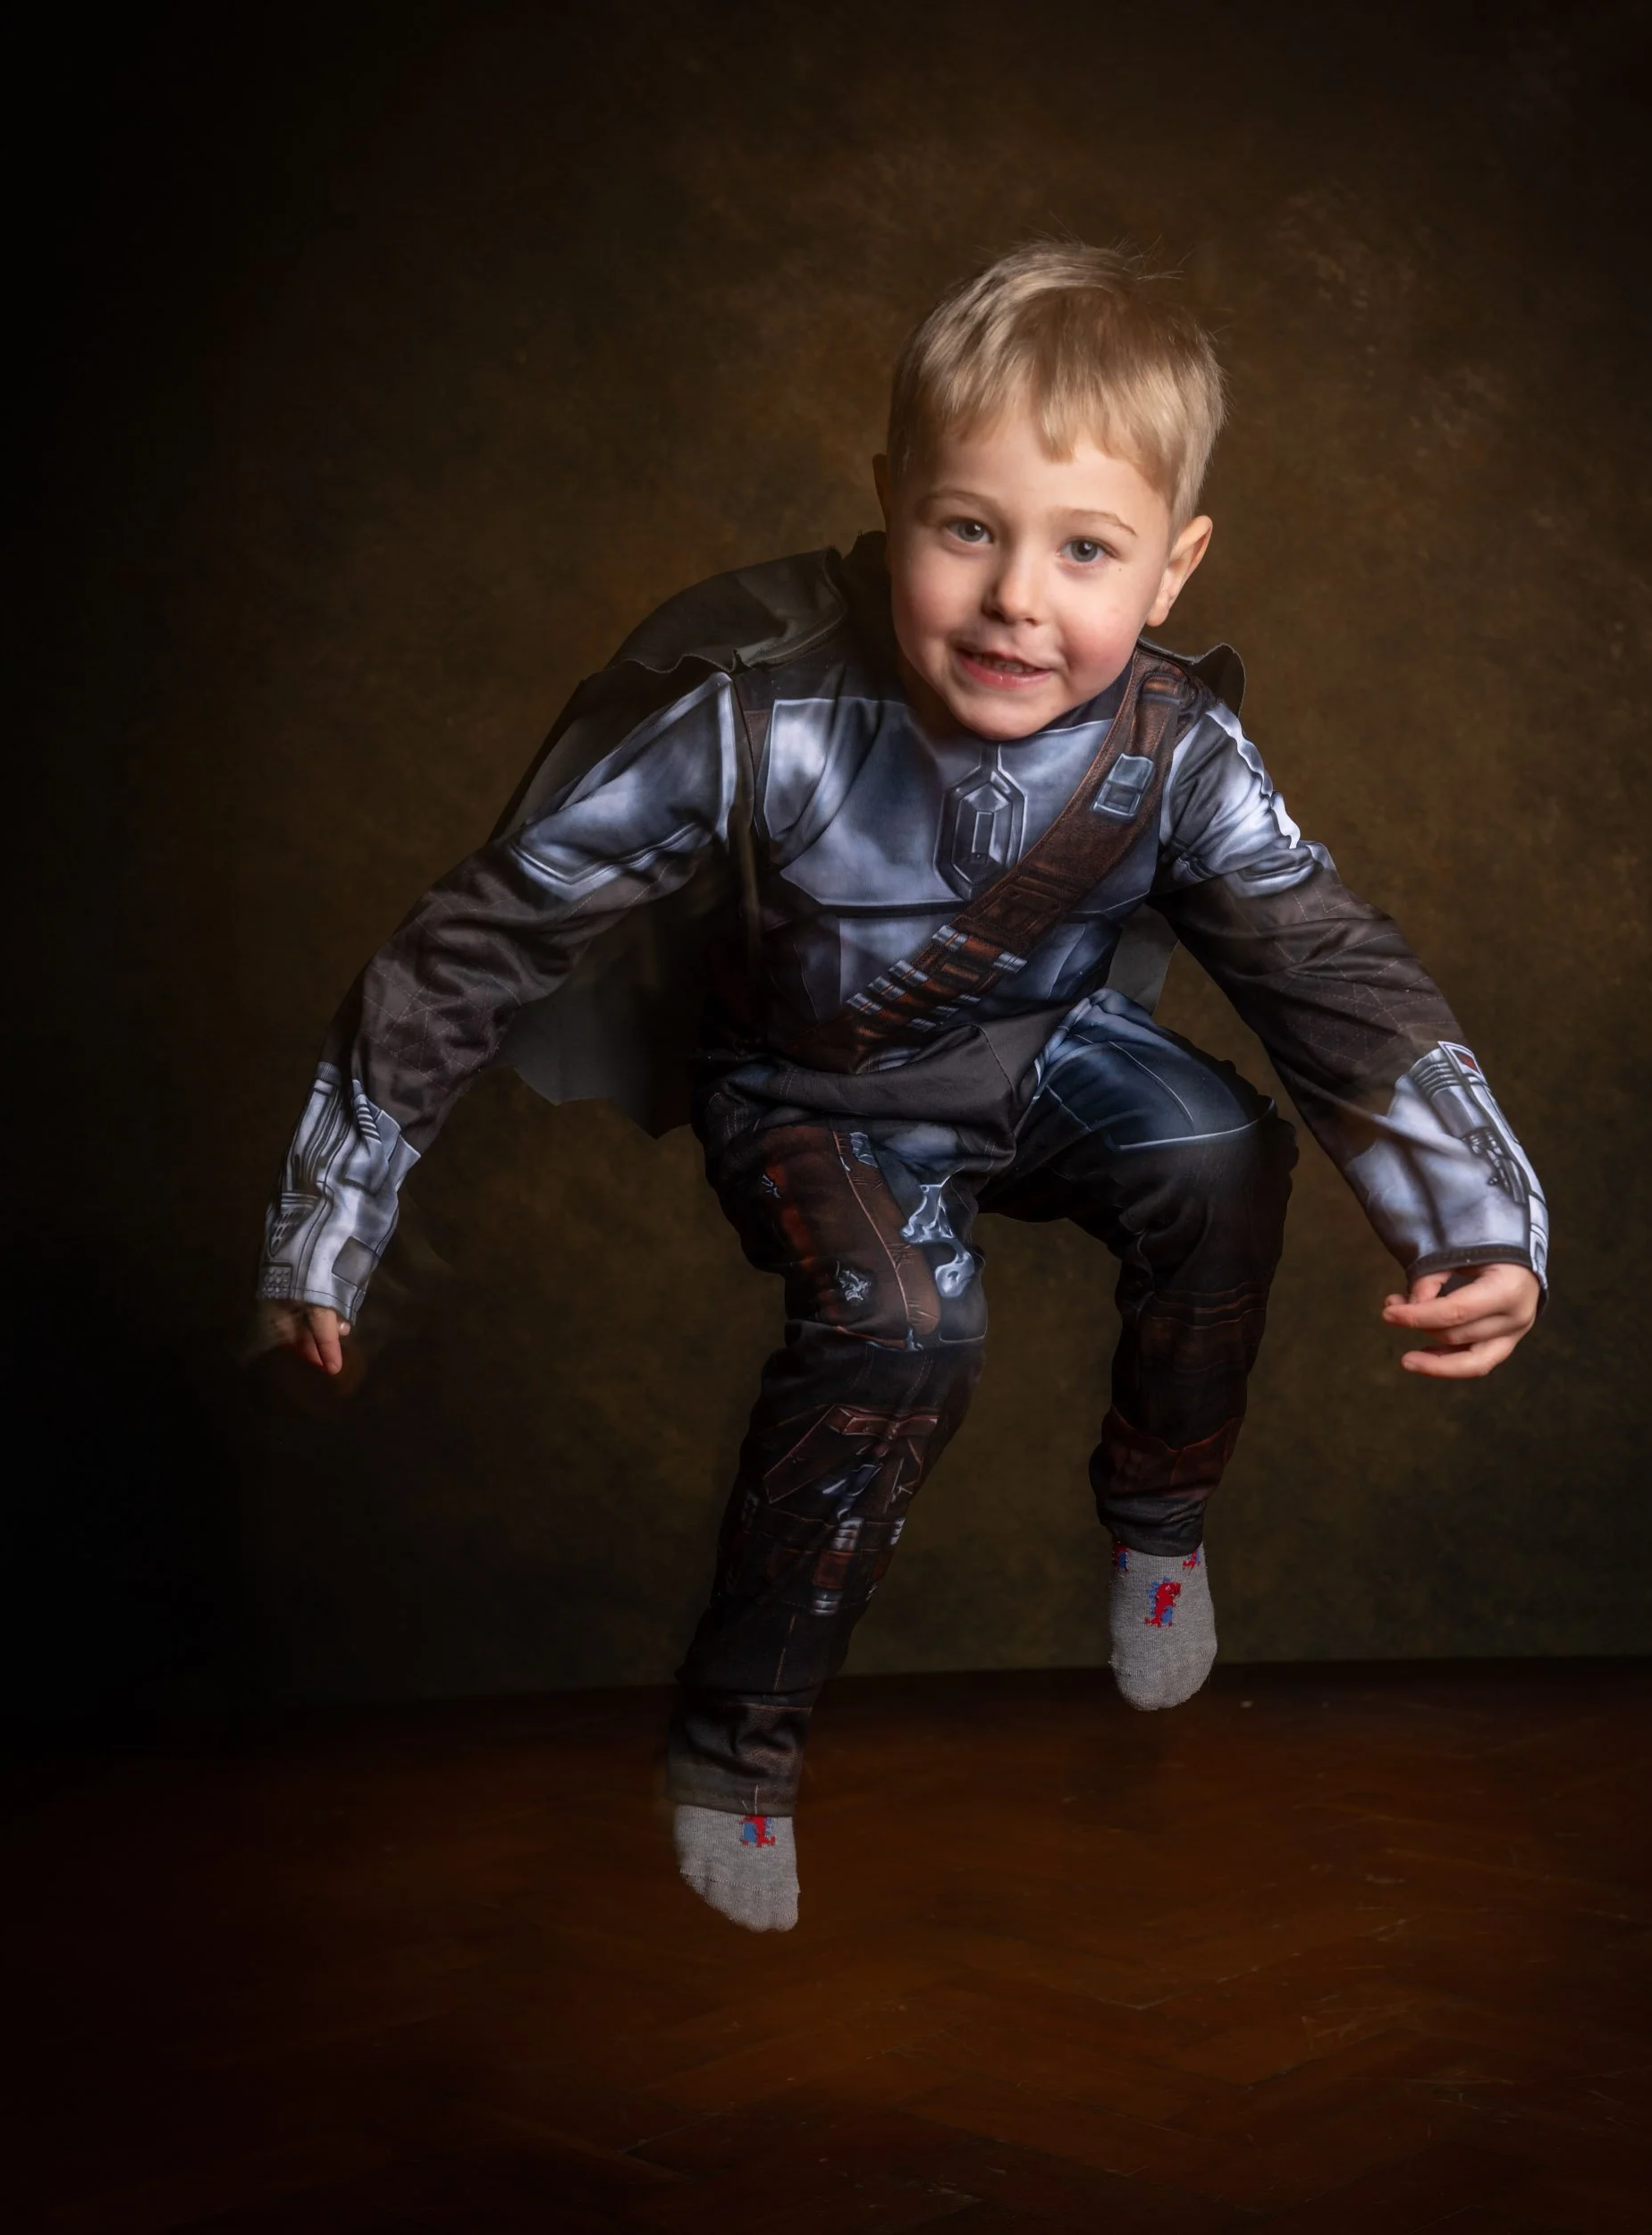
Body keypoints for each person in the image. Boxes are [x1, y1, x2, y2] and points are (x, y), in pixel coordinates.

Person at [252, 243, 1547, 1932]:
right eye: (967, 529)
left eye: (1085, 550)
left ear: (1172, 571)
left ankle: (1156, 1517)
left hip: (1042, 1052)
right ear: (888, 509)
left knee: (1222, 1146)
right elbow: (482, 938)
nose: (1019, 597)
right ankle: (739, 1751)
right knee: (906, 1334)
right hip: (815, 1093)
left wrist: (1478, 1219)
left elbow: (1329, 971)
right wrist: (327, 1221)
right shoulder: (755, 723)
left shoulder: (1180, 753)